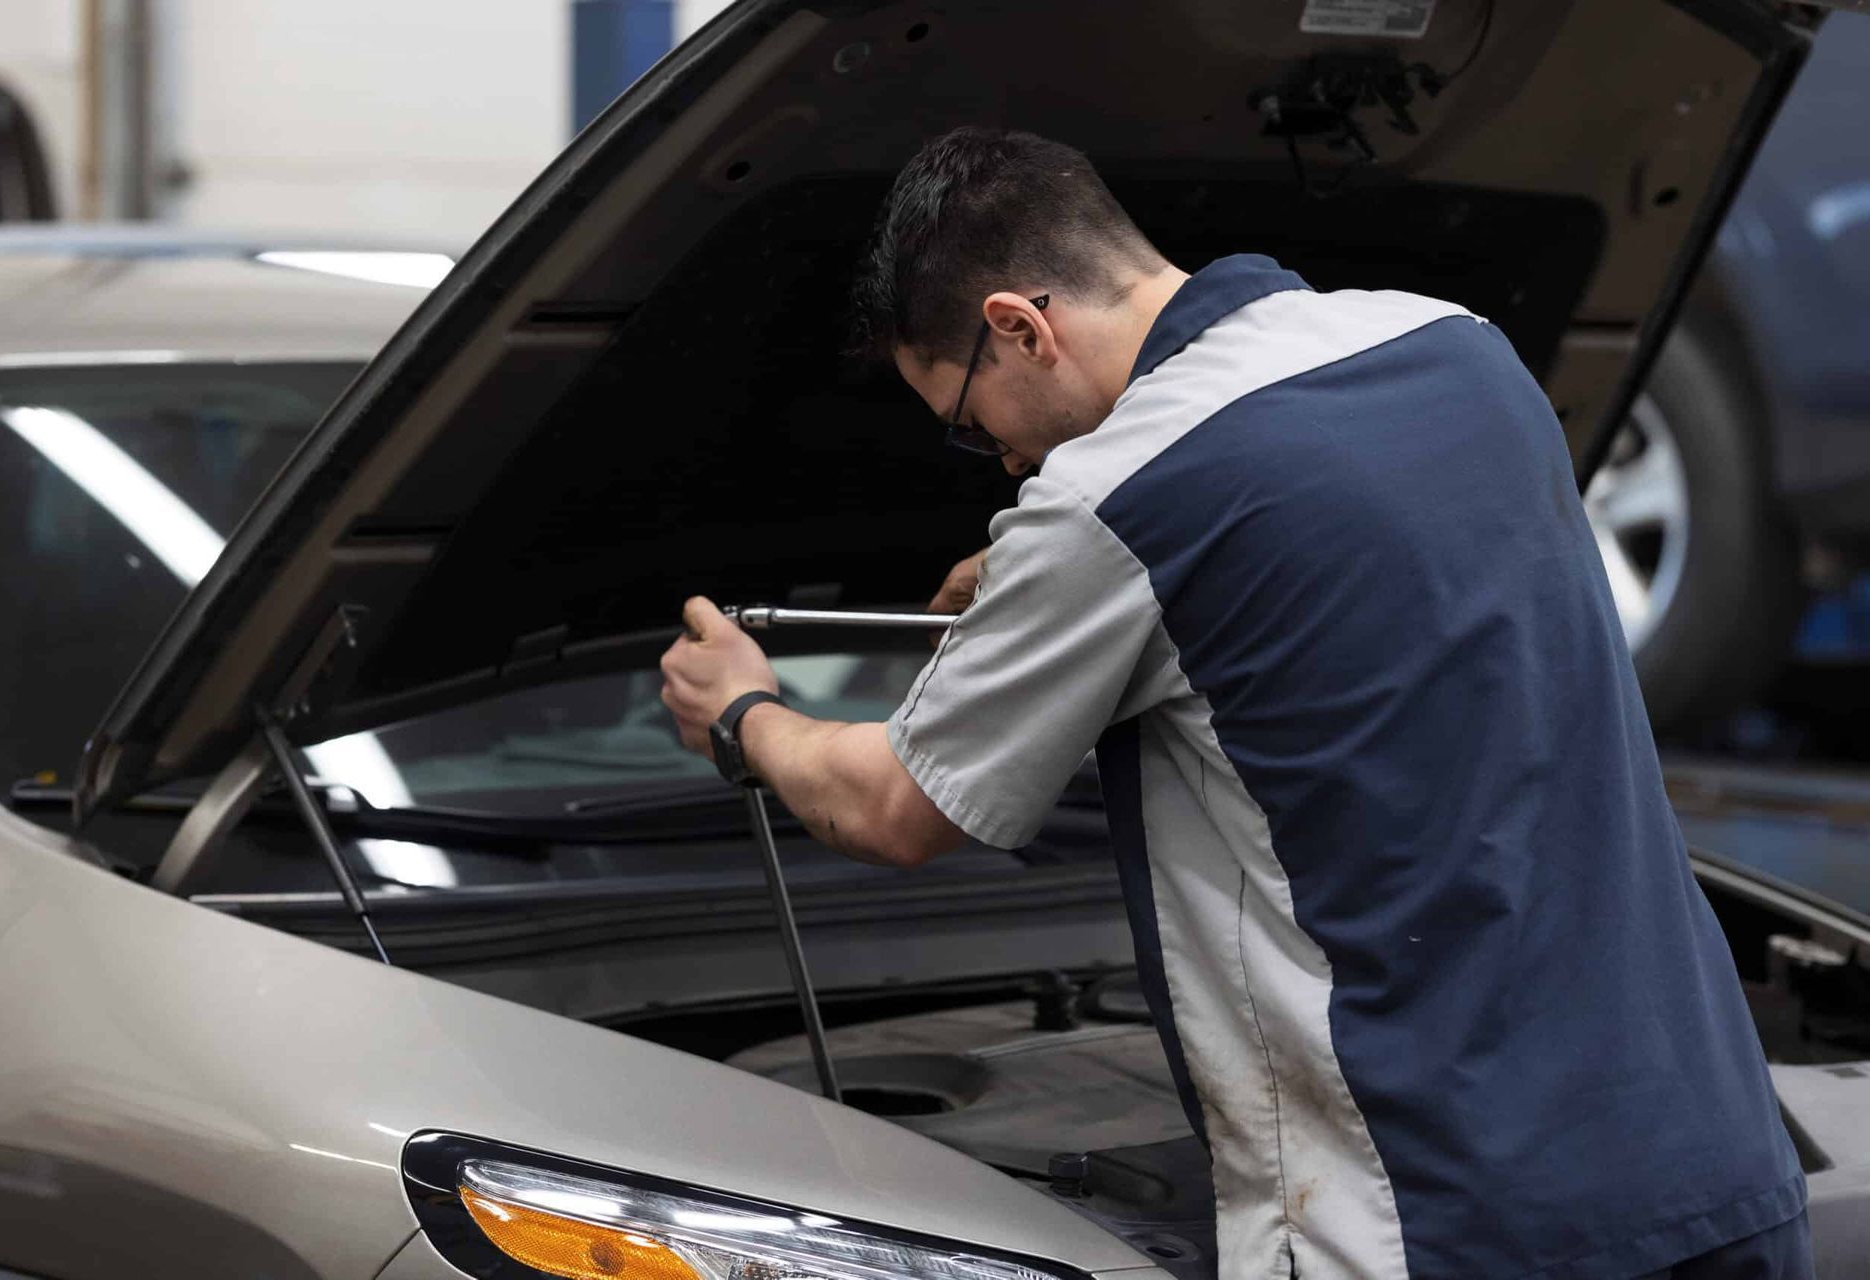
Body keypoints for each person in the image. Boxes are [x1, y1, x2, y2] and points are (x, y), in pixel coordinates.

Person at [657, 127, 1810, 1279]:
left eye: (967, 418)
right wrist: (1048, 600)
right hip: (1713, 1162)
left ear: (1020, 326)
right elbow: (1353, 610)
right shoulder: (1451, 341)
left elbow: (896, 808)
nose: (998, 460)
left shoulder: (1116, 499)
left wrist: (744, 711)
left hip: (1454, 1215)